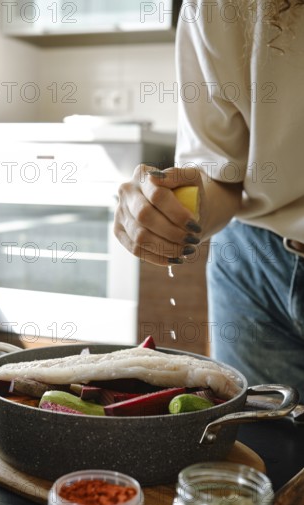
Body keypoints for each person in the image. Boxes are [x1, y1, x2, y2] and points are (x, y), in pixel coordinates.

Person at [114, 0, 304, 400]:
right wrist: (172, 212)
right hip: (254, 265)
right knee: (257, 446)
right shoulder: (217, 6)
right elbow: (222, 179)